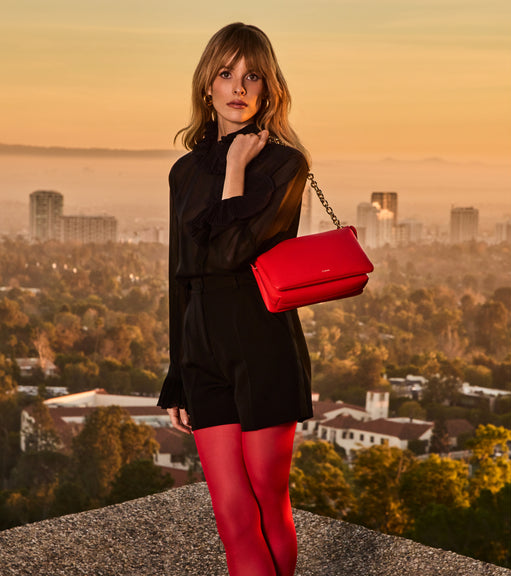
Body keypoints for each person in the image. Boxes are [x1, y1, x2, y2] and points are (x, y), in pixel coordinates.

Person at [157, 22, 312, 576]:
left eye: (252, 76)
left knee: (269, 505)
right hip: (202, 354)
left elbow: (230, 253)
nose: (238, 87)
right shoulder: (182, 172)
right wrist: (177, 371)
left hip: (263, 344)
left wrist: (236, 168)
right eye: (226, 74)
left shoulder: (286, 165)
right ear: (207, 85)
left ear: (269, 88)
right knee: (230, 514)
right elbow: (182, 272)